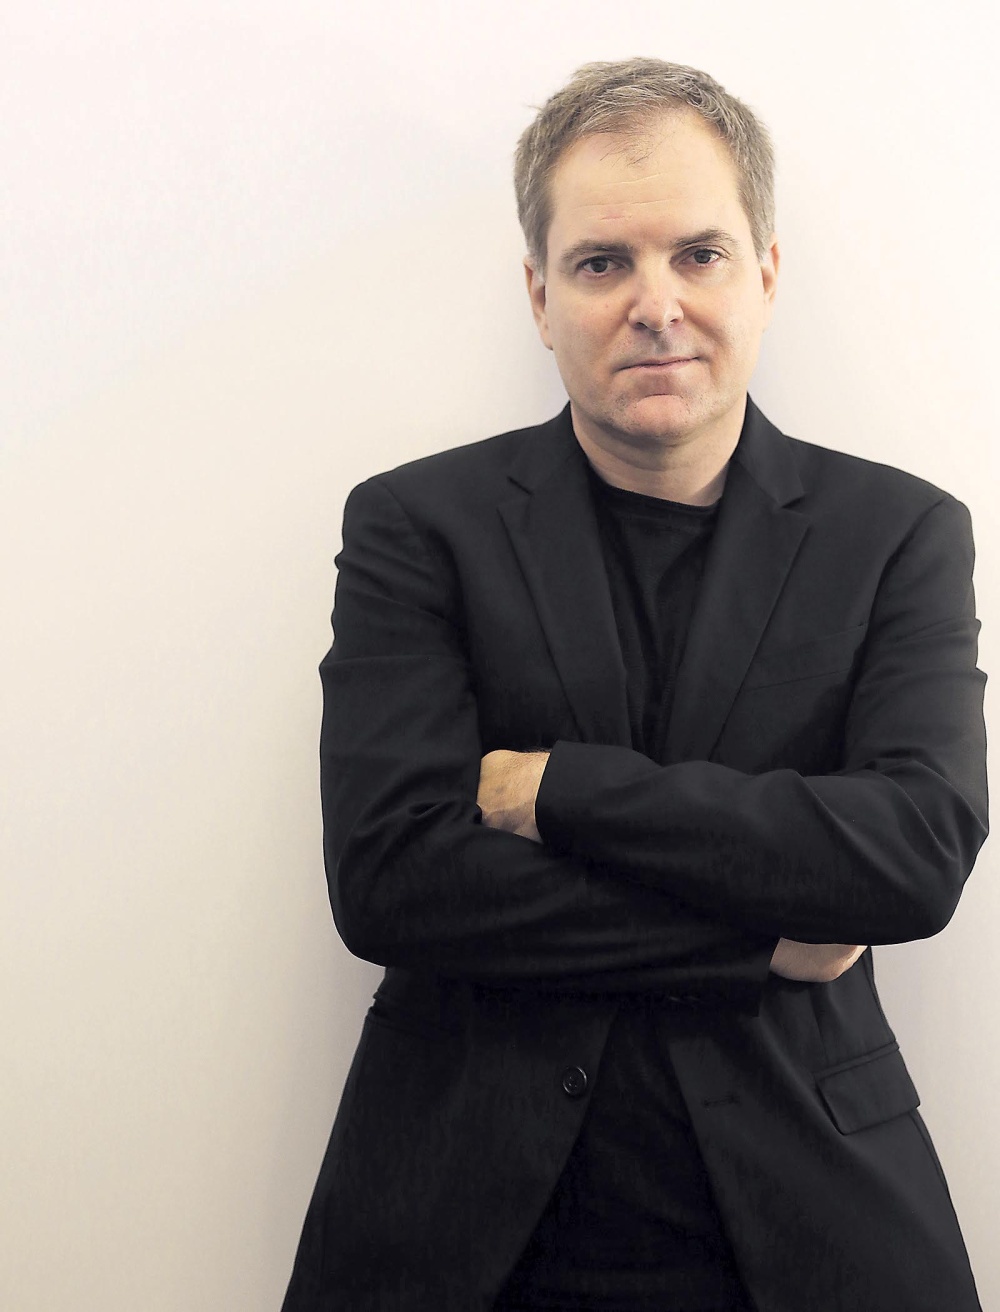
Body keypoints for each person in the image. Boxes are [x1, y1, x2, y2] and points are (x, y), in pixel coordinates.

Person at [280, 58, 988, 1312]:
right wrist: (762, 935)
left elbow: (912, 853)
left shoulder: (897, 534)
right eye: (603, 262)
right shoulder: (417, 526)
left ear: (765, 273)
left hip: (810, 1220)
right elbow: (392, 878)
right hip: (461, 1228)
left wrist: (558, 791)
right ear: (540, 293)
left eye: (698, 254)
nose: (655, 304)